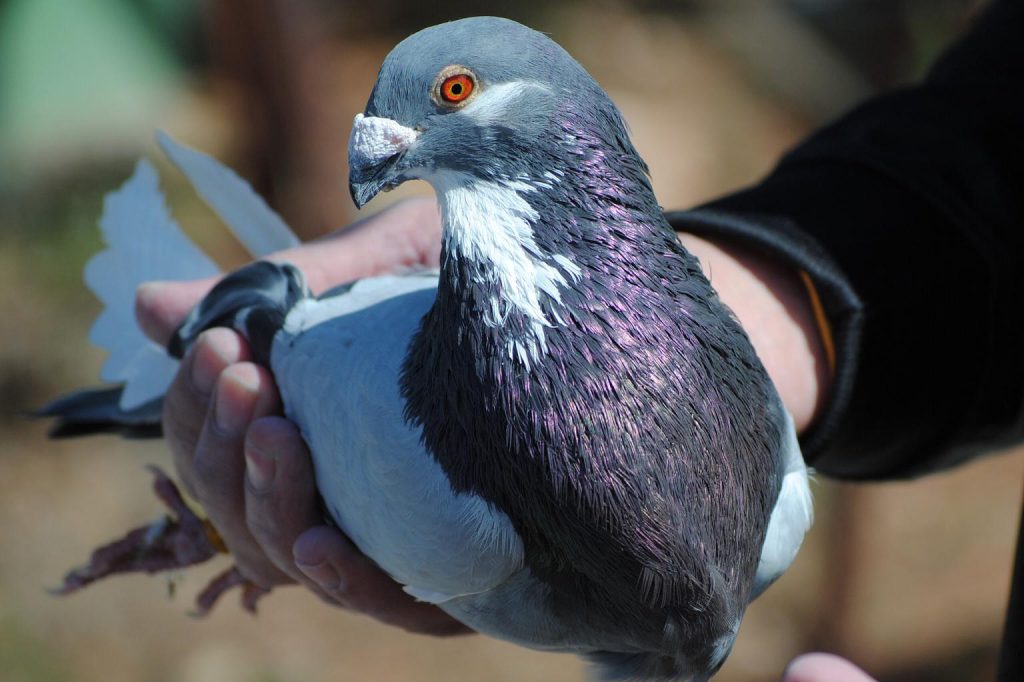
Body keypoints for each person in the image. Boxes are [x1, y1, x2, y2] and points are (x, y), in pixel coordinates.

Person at [133, 0, 1023, 678]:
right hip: (349, 364)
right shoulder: (443, 496)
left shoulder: (766, 494)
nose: (374, 149)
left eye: (450, 94)